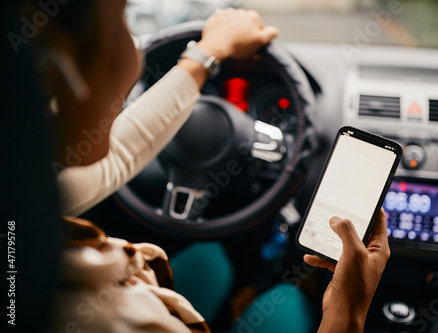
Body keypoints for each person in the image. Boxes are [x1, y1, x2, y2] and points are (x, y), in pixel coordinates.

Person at [10, 0, 390, 332]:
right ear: (53, 68)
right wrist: (347, 314)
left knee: (211, 259)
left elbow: (113, 158)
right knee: (285, 306)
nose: (133, 48)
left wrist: (207, 53)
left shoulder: (20, 196)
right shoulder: (116, 321)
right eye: (123, 17)